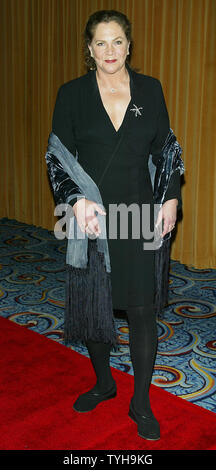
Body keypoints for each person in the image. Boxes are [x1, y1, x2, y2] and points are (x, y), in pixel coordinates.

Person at [45, 10, 184, 441]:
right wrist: (74, 200)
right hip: (91, 219)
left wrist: (172, 197)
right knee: (96, 309)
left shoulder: (150, 89)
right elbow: (56, 158)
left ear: (129, 46)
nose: (110, 51)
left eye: (118, 41)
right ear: (89, 49)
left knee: (142, 311)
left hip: (140, 215)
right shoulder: (71, 95)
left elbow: (167, 151)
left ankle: (140, 401)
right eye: (101, 43)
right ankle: (105, 383)